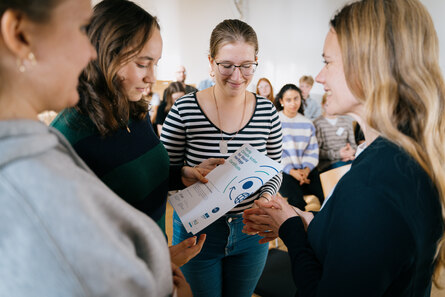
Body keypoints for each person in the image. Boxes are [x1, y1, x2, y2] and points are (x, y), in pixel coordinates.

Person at [243, 0, 445, 296]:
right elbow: (353, 242)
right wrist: (300, 218)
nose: (321, 76)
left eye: (327, 61)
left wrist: (291, 229)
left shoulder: (377, 184)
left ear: (367, 66)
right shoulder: (398, 155)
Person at [0, 0, 190, 296]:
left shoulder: (133, 113)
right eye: (79, 31)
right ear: (20, 35)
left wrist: (155, 261)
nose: (90, 52)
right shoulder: (44, 163)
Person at [51, 0, 206, 268]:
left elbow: (129, 179)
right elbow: (71, 248)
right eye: (143, 64)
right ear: (105, 56)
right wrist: (154, 262)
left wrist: (180, 175)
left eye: (156, 64)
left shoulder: (135, 111)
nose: (152, 77)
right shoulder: (67, 136)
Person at [161, 19, 283, 297]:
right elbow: (163, 169)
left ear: (255, 62)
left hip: (250, 229)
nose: (237, 76)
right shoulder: (185, 109)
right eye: (226, 65)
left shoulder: (267, 111)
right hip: (198, 231)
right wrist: (186, 172)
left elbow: (274, 169)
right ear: (211, 62)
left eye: (246, 66)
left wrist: (265, 199)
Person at [274, 84, 324, 210]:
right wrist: (292, 171)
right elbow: (276, 152)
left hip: (306, 170)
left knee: (325, 197)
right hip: (283, 171)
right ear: (281, 101)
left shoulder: (307, 123)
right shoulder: (275, 121)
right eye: (288, 100)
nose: (293, 103)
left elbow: (312, 150)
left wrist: (306, 170)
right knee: (297, 201)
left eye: (296, 98)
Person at [314, 93, 356, 172]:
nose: (331, 108)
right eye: (327, 105)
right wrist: (338, 155)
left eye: (334, 104)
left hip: (349, 158)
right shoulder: (317, 124)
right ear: (322, 105)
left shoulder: (346, 122)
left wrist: (350, 152)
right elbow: (316, 151)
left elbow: (353, 145)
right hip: (329, 163)